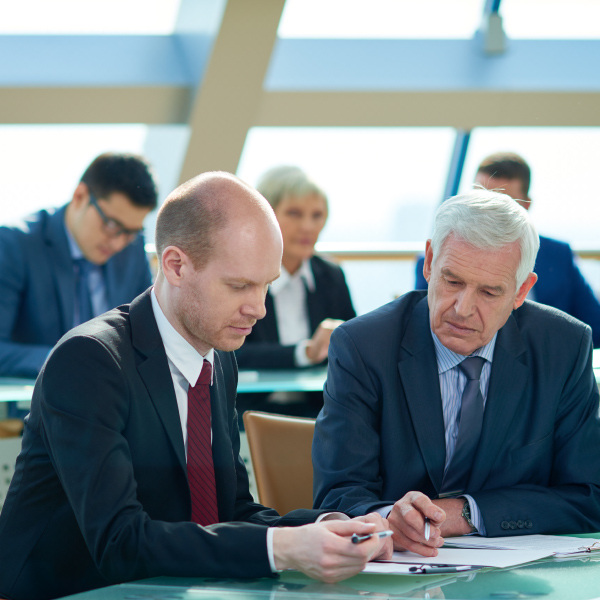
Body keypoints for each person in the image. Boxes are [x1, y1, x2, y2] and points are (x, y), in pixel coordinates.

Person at [0, 172, 390, 600]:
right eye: (239, 285)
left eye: (266, 286)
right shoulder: (89, 361)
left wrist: (338, 529)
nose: (258, 308)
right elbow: (120, 542)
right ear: (176, 265)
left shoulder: (218, 356)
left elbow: (232, 510)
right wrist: (281, 549)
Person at [313, 189, 600, 558]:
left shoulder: (563, 346)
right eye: (452, 281)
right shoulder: (362, 345)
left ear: (521, 291)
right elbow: (339, 491)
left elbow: (589, 493)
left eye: (489, 292)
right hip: (399, 574)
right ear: (430, 262)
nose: (463, 309)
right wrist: (387, 519)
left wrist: (465, 513)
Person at [0, 152, 158, 382]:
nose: (117, 242)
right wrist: (72, 361)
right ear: (80, 195)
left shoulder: (132, 250)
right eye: (111, 224)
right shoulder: (14, 245)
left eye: (130, 232)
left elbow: (146, 336)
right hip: (36, 406)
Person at [415, 151, 600, 347]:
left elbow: (595, 328)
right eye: (482, 199)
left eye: (505, 204)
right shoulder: (439, 258)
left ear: (526, 206)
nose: (491, 214)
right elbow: (418, 333)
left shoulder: (558, 256)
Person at [235, 166, 356, 420]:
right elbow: (231, 352)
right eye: (294, 213)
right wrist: (305, 352)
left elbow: (354, 351)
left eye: (317, 215)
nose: (308, 226)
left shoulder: (330, 275)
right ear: (264, 216)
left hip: (319, 413)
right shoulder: (239, 273)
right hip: (248, 413)